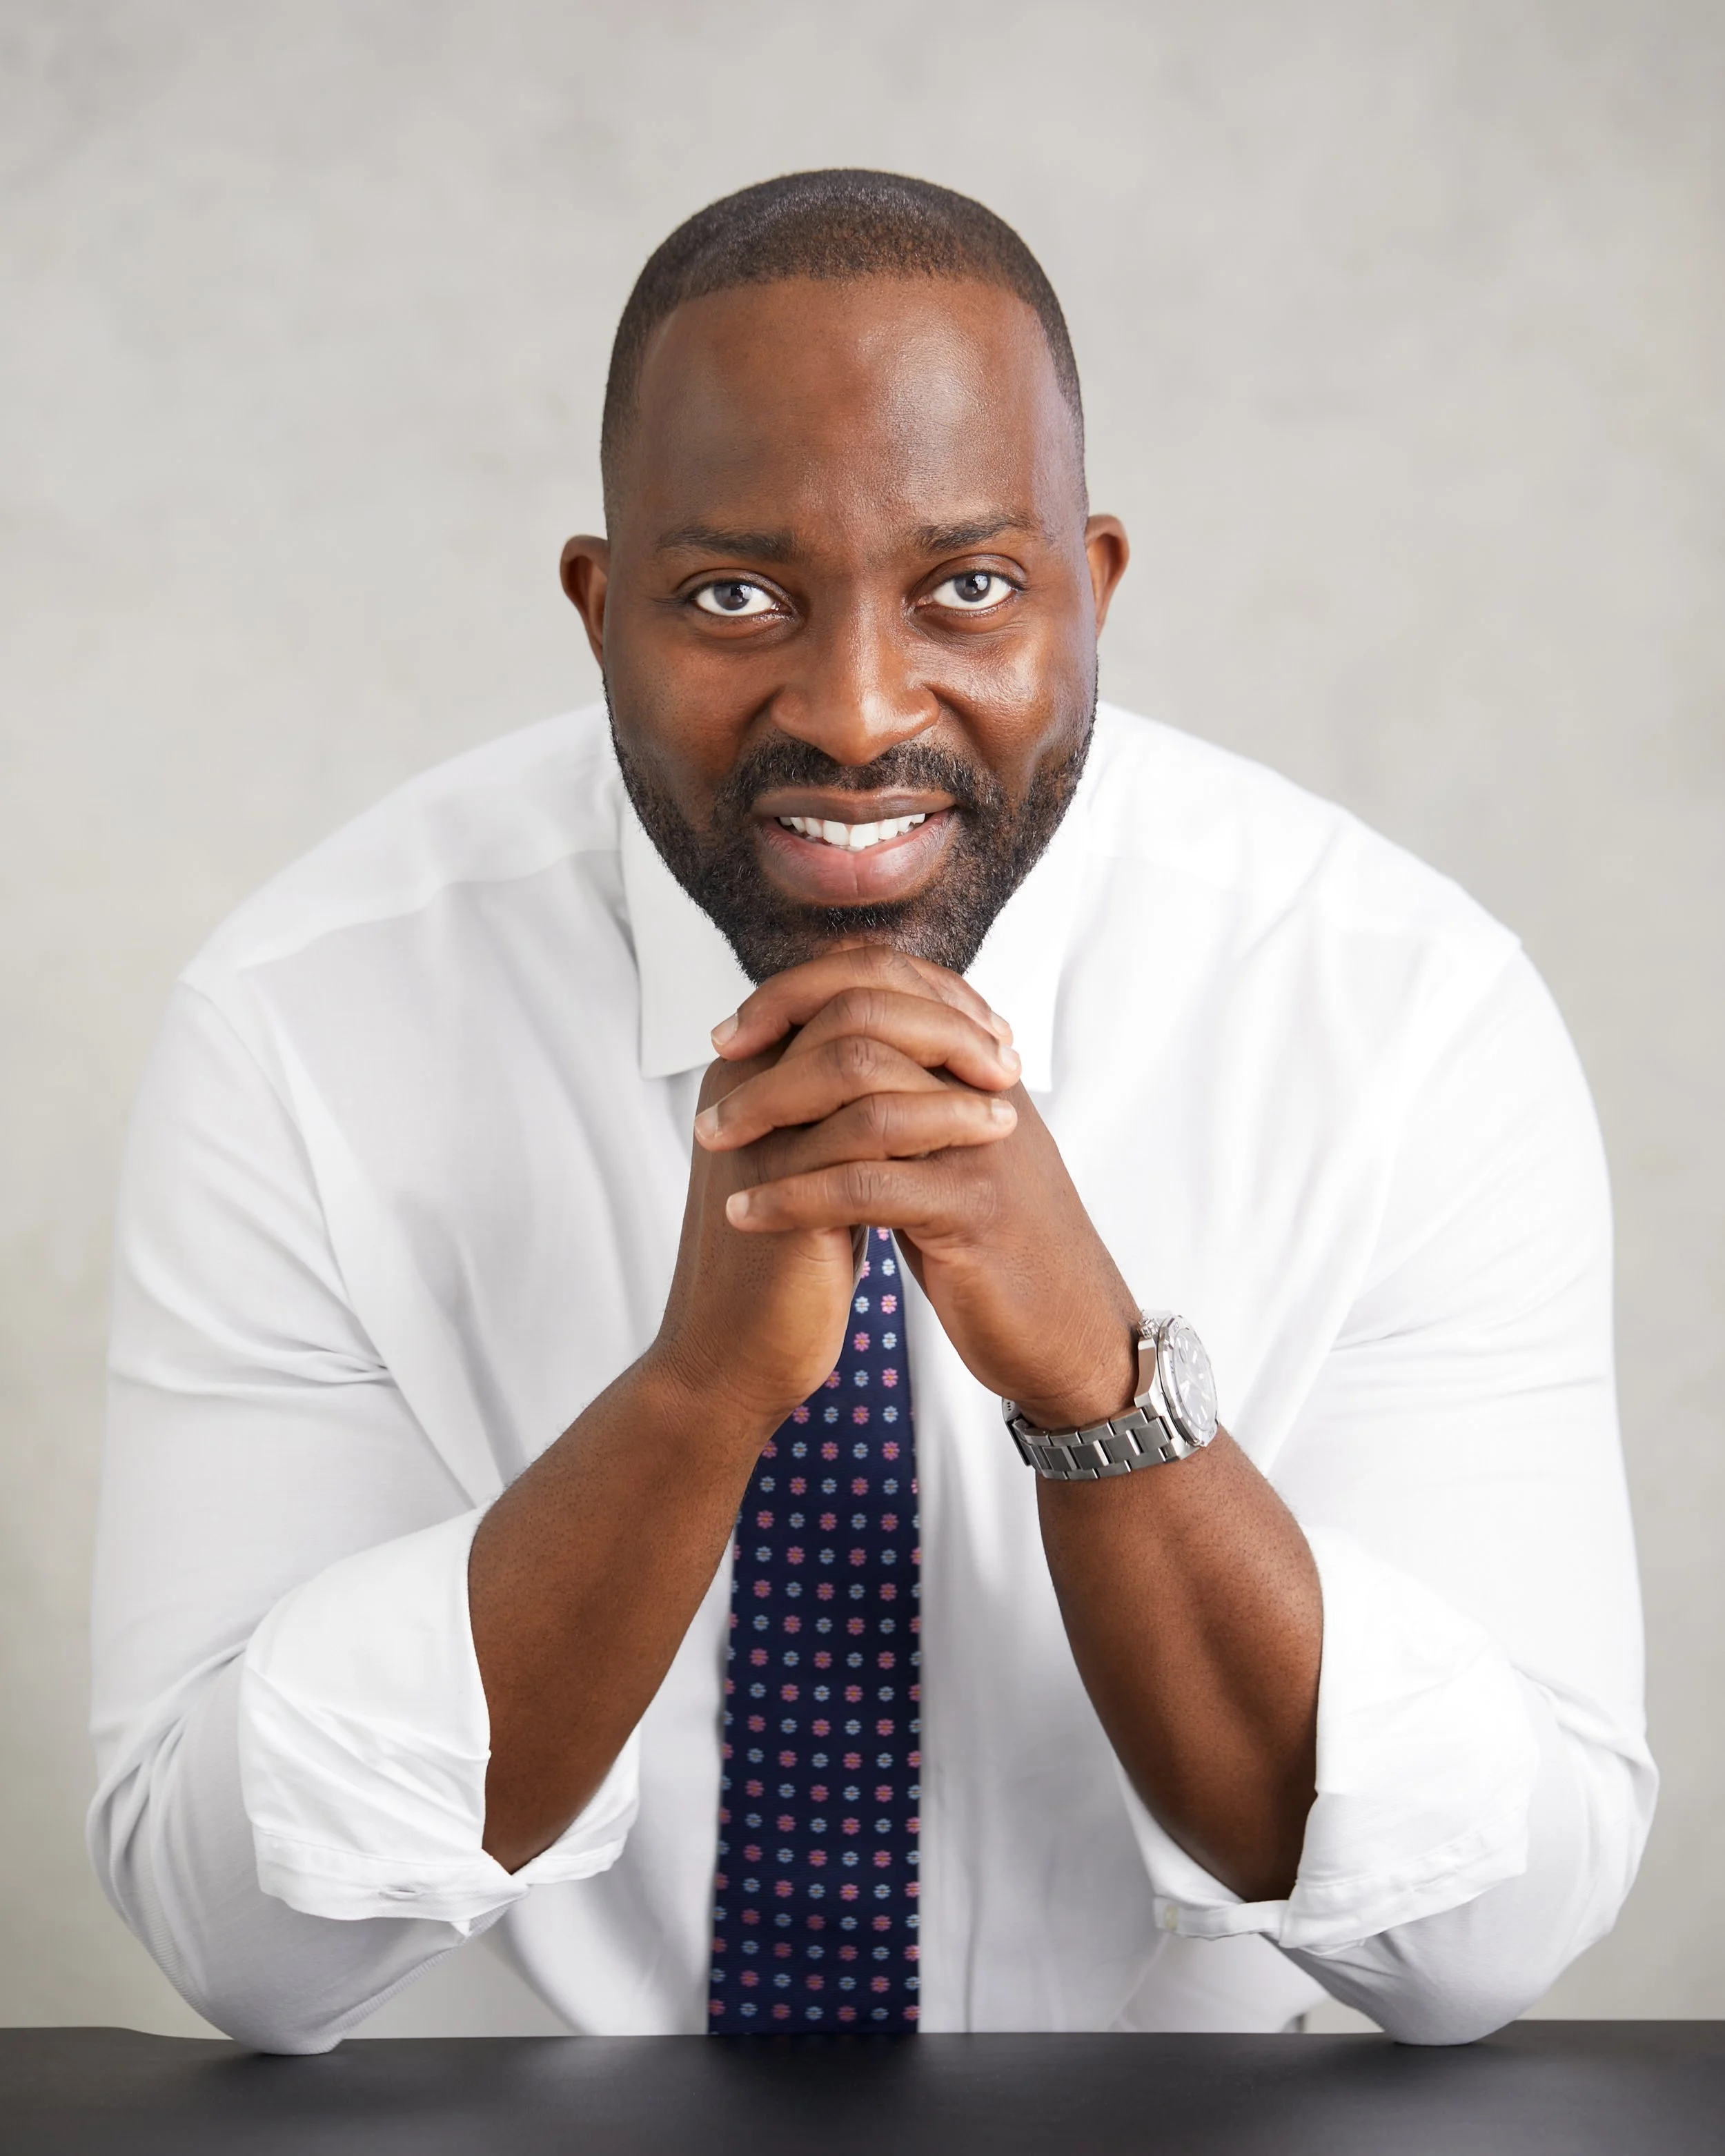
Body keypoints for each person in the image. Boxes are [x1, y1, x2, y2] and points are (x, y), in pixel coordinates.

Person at [89, 170, 1653, 2053]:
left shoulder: (1401, 1012)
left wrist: (1099, 1380)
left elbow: (1477, 1948)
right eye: (732, 593)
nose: (849, 706)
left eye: (967, 587)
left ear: (1096, 590)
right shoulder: (305, 1024)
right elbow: (245, 1948)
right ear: (599, 610)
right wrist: (692, 1402)